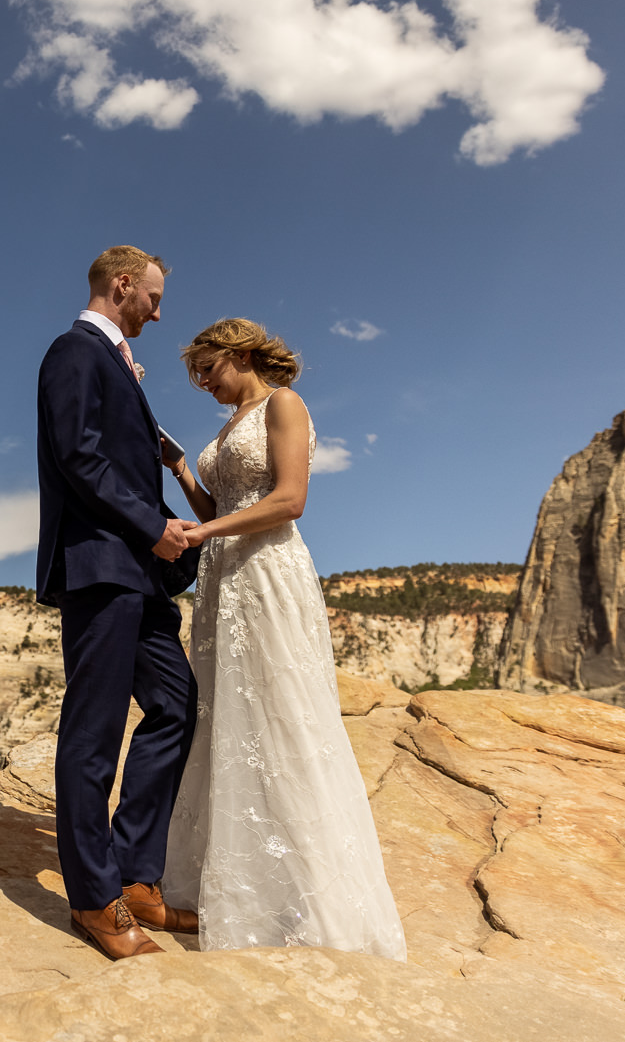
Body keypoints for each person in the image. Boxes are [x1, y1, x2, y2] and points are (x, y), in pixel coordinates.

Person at [159, 318, 407, 959]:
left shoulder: (285, 404)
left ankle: (312, 904)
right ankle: (232, 886)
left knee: (281, 716)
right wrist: (184, 471)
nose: (203, 383)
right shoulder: (227, 424)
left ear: (240, 354)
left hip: (267, 572)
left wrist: (201, 537)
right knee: (226, 717)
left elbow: (290, 500)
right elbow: (221, 507)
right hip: (222, 584)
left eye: (207, 369)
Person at [35, 245, 203, 960]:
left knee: (175, 701)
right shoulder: (72, 350)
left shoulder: (116, 361)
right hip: (103, 566)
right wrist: (152, 525)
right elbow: (79, 455)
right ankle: (92, 898)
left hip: (140, 573)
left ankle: (137, 878)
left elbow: (120, 451)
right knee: (94, 729)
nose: (160, 312)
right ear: (123, 285)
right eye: (154, 298)